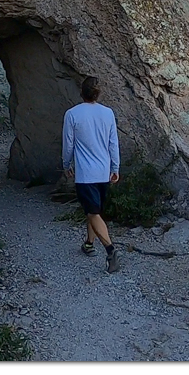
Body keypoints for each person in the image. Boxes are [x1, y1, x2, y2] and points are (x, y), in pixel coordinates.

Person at [62, 76, 121, 273]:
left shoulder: (72, 114)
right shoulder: (108, 113)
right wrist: (115, 168)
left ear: (82, 92)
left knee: (93, 212)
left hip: (85, 174)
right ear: (98, 93)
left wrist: (66, 163)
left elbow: (68, 143)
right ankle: (89, 243)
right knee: (94, 211)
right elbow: (113, 143)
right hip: (103, 172)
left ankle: (110, 250)